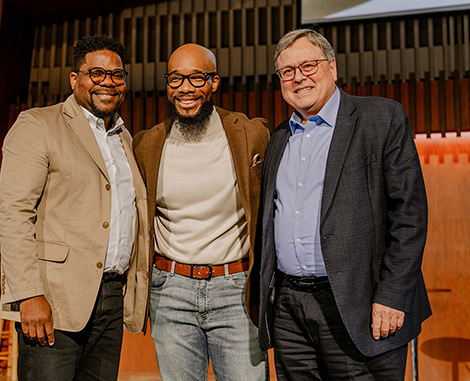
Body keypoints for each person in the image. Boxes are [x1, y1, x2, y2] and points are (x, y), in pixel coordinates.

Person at [255, 29, 432, 380]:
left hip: (361, 305)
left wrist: (394, 295)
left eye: (308, 65)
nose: (298, 77)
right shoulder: (278, 139)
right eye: (287, 71)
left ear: (332, 68)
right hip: (290, 309)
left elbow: (409, 215)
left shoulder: (380, 118)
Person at [0, 34, 148, 381]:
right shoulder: (39, 124)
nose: (107, 82)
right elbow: (14, 212)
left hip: (111, 297)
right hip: (53, 301)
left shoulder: (124, 137)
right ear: (75, 79)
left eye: (117, 75)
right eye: (97, 73)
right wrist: (28, 295)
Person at [133, 43, 269, 381]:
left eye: (196, 78)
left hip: (236, 288)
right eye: (176, 79)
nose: (185, 89)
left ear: (214, 82)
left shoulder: (251, 135)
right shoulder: (146, 145)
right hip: (170, 290)